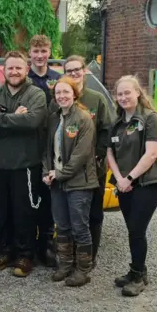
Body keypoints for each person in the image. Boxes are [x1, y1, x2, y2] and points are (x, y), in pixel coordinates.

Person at [0, 51, 47, 277]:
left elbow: (31, 122)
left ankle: (25, 256)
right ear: (4, 71)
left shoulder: (36, 94)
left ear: (26, 70)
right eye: (10, 68)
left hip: (25, 166)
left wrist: (0, 117)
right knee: (1, 212)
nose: (14, 72)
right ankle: (5, 252)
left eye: (19, 68)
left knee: (24, 213)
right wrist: (14, 120)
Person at [107, 75, 157, 297]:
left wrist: (129, 178)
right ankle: (137, 270)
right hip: (125, 184)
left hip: (147, 183)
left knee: (136, 229)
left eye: (127, 93)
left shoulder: (150, 119)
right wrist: (119, 179)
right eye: (119, 94)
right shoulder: (117, 121)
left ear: (138, 93)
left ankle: (137, 276)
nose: (123, 97)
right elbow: (110, 154)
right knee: (132, 230)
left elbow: (152, 153)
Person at [43, 76, 97, 287]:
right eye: (58, 93)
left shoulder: (83, 118)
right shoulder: (53, 118)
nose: (62, 96)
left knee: (79, 227)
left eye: (66, 92)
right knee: (62, 226)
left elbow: (80, 155)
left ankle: (83, 269)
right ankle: (65, 265)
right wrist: (47, 171)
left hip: (79, 182)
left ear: (74, 94)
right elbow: (47, 150)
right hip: (56, 181)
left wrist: (60, 173)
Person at [64, 55, 112, 266]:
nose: (74, 73)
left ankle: (89, 257)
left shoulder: (96, 99)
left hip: (93, 169)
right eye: (69, 70)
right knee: (71, 215)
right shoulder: (61, 97)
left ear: (84, 71)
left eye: (77, 69)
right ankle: (71, 254)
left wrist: (99, 155)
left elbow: (106, 130)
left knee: (93, 214)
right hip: (68, 169)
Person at [28, 34, 62, 267]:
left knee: (50, 200)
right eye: (36, 52)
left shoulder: (58, 79)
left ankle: (48, 246)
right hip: (28, 149)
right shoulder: (23, 78)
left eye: (44, 51)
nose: (40, 56)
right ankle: (30, 246)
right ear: (29, 53)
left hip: (52, 149)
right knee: (30, 200)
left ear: (49, 52)